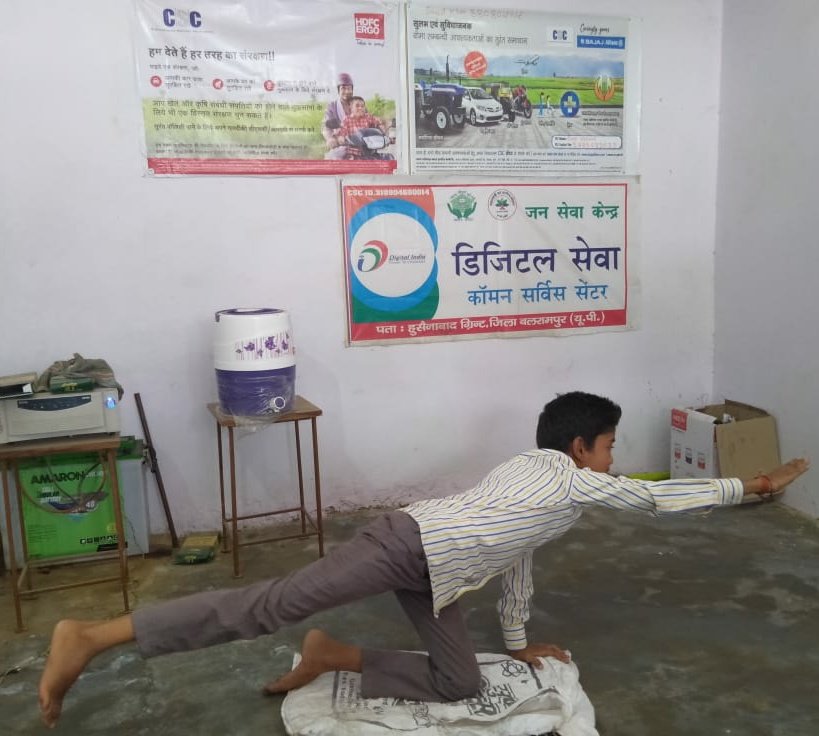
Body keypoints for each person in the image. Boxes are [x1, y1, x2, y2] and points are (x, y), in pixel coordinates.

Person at [38, 391, 810, 728]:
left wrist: (518, 644)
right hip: (403, 545)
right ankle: (93, 635)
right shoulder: (570, 478)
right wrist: (747, 485)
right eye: (609, 445)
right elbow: (652, 501)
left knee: (458, 683)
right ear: (580, 448)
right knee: (267, 605)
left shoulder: (542, 482)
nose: (614, 458)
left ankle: (331, 654)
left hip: (440, 572)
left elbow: (515, 557)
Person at [322, 72, 355, 161]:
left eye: (349, 88)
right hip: (340, 144)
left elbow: (368, 120)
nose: (347, 91)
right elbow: (326, 126)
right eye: (343, 88)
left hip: (359, 144)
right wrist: (330, 138)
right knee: (333, 159)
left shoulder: (358, 104)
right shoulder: (332, 106)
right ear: (338, 90)